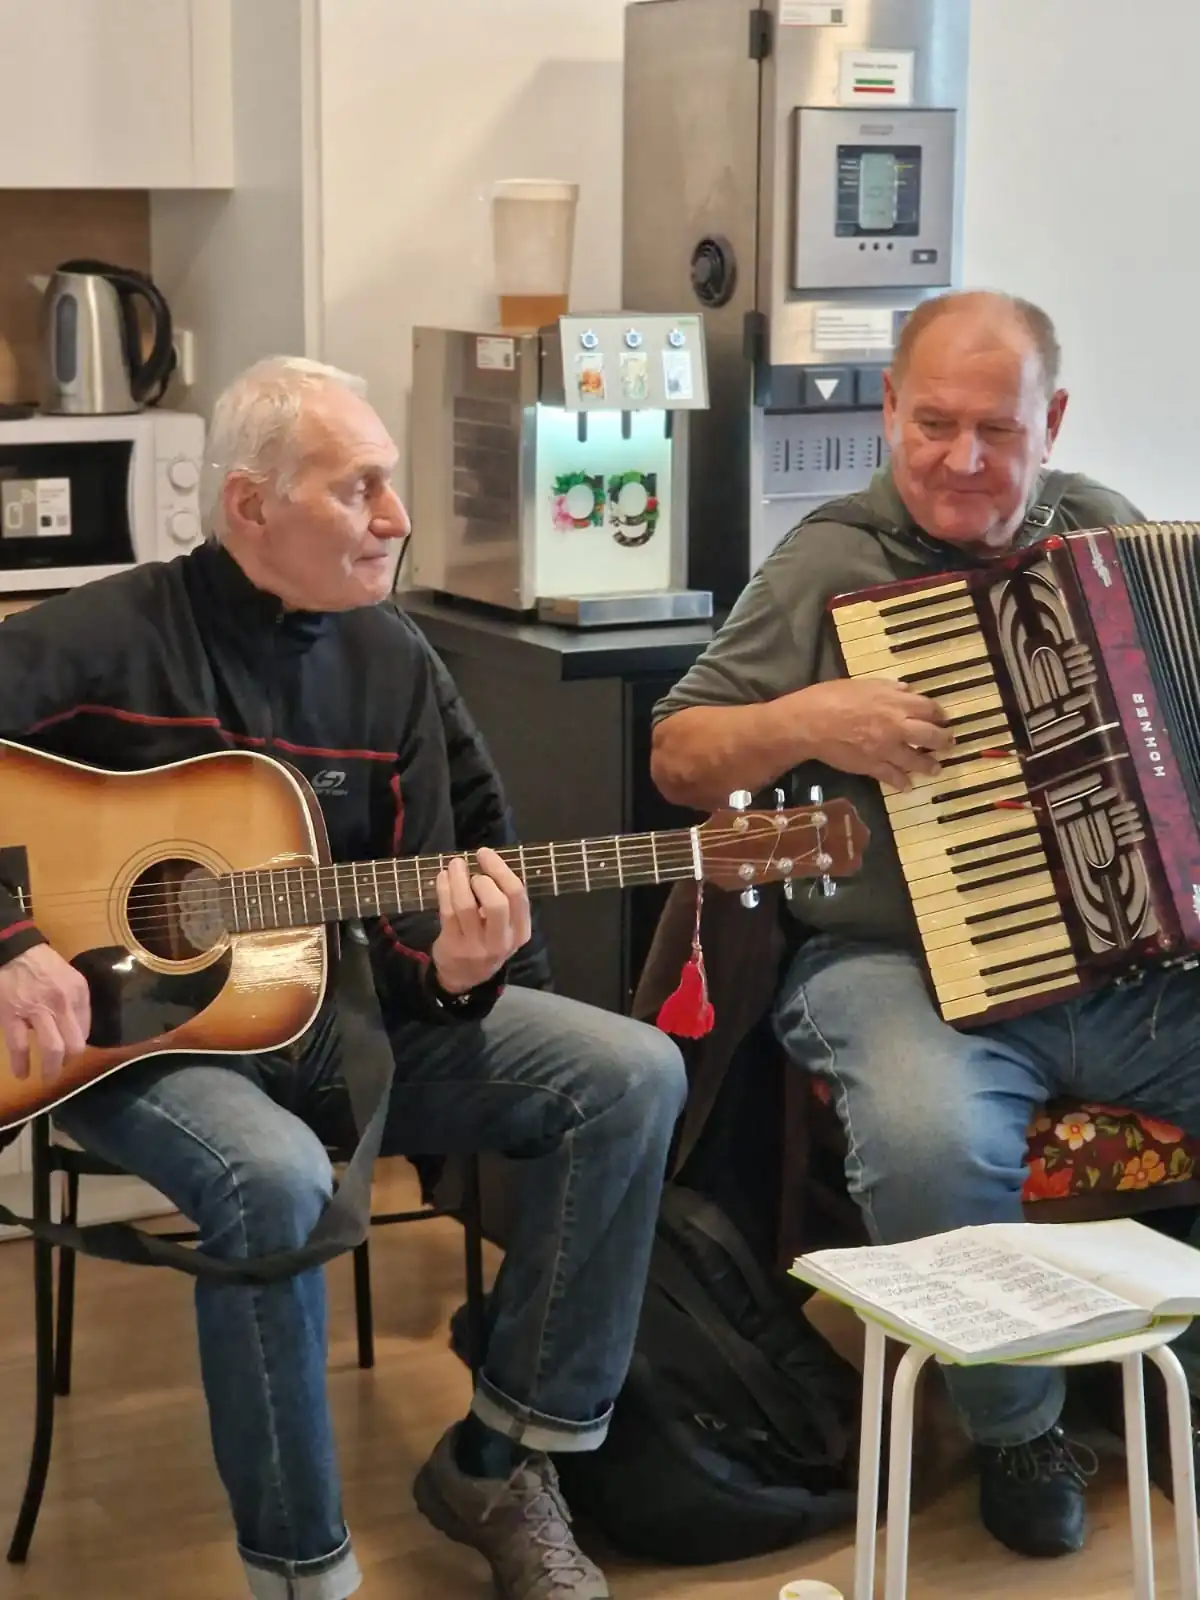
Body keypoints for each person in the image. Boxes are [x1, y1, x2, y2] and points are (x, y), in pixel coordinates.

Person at [0, 356, 688, 1600]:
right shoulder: (104, 636)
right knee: (272, 1179)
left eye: (393, 482)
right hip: (130, 1038)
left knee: (633, 1072)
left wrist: (460, 970)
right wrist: (10, 937)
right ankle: (302, 1575)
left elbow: (422, 920)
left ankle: (501, 1459)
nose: (398, 516)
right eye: (358, 487)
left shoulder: (392, 664)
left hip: (334, 1019)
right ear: (250, 505)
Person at [650, 289, 1200, 1560]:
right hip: (894, 964)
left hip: (1126, 973)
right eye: (934, 422)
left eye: (996, 429)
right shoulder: (831, 561)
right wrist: (804, 720)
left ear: (1051, 422)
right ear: (890, 409)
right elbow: (678, 751)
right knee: (929, 1138)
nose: (961, 458)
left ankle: (1168, 1361)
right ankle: (1021, 1426)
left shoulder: (1105, 533)